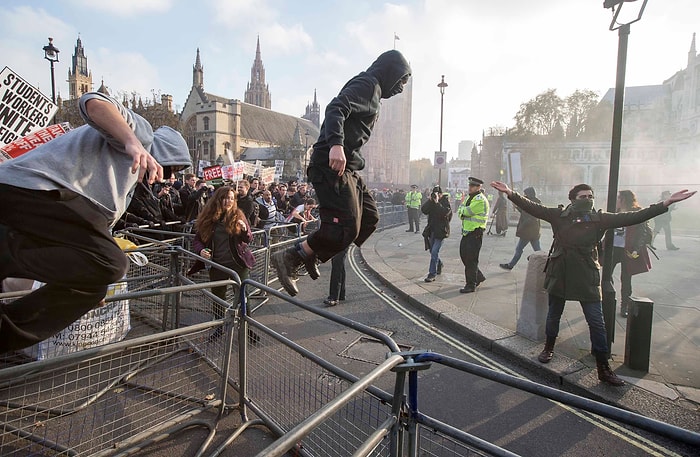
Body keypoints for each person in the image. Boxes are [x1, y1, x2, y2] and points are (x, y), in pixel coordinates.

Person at [0, 91, 191, 353]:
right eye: (169, 170)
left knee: (99, 282)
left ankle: (8, 331)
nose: (165, 178)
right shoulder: (142, 135)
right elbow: (92, 102)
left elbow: (96, 237)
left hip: (49, 207)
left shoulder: (123, 193)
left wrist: (86, 283)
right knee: (113, 264)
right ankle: (6, 255)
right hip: (34, 188)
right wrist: (132, 142)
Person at [491, 180, 695, 386]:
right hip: (560, 271)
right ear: (572, 199)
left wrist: (665, 203)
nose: (588, 200)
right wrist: (510, 192)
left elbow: (634, 217)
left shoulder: (600, 218)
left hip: (586, 274)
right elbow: (532, 207)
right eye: (583, 197)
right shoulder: (558, 215)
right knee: (554, 314)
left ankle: (603, 367)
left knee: (596, 322)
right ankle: (548, 348)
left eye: (590, 197)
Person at [271, 49, 411, 296]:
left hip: (350, 168)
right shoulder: (368, 84)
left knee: (369, 218)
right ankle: (291, 257)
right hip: (330, 164)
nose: (401, 87)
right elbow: (335, 107)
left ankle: (314, 252)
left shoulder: (375, 92)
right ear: (391, 72)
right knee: (345, 227)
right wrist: (336, 144)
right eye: (401, 80)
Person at [188, 186, 254, 319]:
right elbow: (197, 240)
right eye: (225, 198)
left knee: (243, 295)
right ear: (218, 199)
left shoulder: (238, 215)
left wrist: (244, 230)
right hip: (218, 265)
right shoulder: (208, 217)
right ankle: (219, 325)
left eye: (231, 198)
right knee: (218, 297)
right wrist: (201, 250)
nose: (228, 201)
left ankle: (248, 327)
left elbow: (248, 239)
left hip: (238, 263)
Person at [611, 190, 653, 317]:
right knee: (607, 275)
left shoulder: (637, 213)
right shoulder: (615, 211)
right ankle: (608, 301)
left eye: (619, 198)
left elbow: (642, 233)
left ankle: (625, 306)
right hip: (614, 248)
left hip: (628, 249)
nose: (617, 200)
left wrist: (636, 249)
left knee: (626, 277)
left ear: (624, 199)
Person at [457, 177, 489, 293]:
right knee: (464, 256)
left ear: (478, 187)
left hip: (475, 233)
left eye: (472, 186)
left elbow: (465, 211)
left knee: (471, 260)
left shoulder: (480, 199)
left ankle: (470, 285)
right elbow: (460, 213)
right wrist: (462, 210)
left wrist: (462, 210)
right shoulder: (470, 198)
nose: (470, 187)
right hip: (467, 233)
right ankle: (478, 276)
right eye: (469, 185)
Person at [499, 186, 542, 270]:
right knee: (538, 251)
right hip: (533, 231)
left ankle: (510, 265)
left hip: (528, 231)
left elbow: (530, 217)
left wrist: (523, 226)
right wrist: (517, 207)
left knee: (519, 249)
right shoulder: (534, 202)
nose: (524, 195)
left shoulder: (533, 204)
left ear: (529, 194)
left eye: (525, 194)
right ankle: (546, 264)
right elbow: (524, 211)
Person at [421, 186, 452, 282]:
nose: (436, 196)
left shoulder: (445, 202)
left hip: (441, 231)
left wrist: (437, 203)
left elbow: (445, 213)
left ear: (441, 194)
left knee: (434, 252)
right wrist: (430, 201)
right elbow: (424, 210)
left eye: (437, 194)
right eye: (434, 194)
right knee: (432, 251)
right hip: (432, 230)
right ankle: (439, 264)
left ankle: (432, 274)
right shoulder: (431, 202)